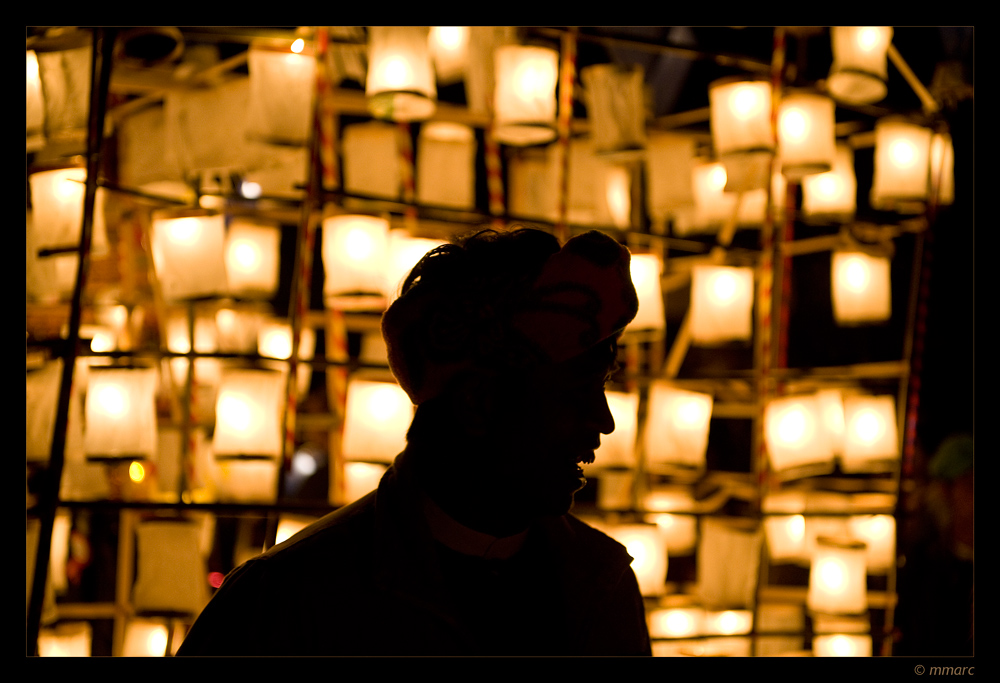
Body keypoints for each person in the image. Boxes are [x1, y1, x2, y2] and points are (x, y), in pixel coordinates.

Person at [176, 227, 652, 656]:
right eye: (574, 394)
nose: (604, 421)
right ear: (477, 401)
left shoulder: (602, 586)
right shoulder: (287, 601)